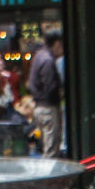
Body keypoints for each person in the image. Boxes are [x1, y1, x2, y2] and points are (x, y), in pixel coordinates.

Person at [28, 28, 64, 157]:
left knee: (45, 147)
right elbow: (51, 88)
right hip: (48, 108)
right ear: (57, 43)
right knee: (51, 150)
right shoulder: (48, 60)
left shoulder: (39, 55)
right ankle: (50, 177)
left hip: (39, 107)